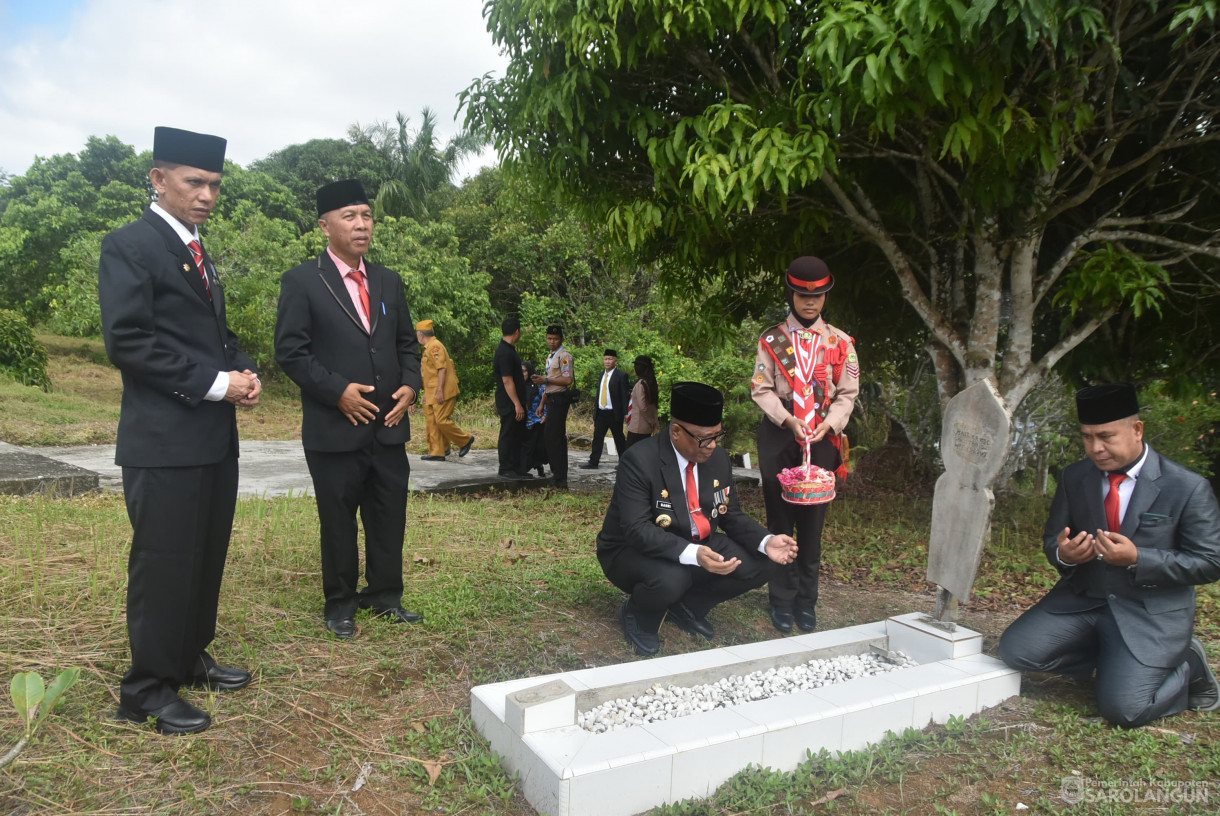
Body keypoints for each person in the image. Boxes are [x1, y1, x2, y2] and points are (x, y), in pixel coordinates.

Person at [99, 126, 260, 735]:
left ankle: (188, 657)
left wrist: (241, 369)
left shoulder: (196, 248)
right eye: (195, 182)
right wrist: (218, 383)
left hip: (210, 438)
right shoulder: (131, 246)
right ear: (158, 179)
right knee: (164, 561)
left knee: (204, 553)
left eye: (215, 184)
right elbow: (131, 343)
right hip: (164, 438)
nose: (207, 195)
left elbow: (212, 337)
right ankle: (145, 688)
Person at [998, 383, 1220, 728]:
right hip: (1084, 601)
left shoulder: (1187, 487)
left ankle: (1188, 664)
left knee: (1125, 710)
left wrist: (1138, 558)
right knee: (1015, 652)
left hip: (1148, 613)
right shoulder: (1075, 477)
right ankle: (1118, 662)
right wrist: (1067, 555)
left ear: (1137, 429)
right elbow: (1052, 541)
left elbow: (1210, 562)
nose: (1096, 448)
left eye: (1106, 436)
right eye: (1087, 437)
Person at [274, 179, 424, 641]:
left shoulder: (387, 280)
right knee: (337, 520)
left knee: (388, 513)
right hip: (334, 428)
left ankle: (385, 595)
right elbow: (291, 352)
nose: (361, 225)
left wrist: (411, 386)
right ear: (325, 225)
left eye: (367, 215)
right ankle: (340, 604)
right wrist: (338, 391)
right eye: (350, 216)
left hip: (388, 427)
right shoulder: (302, 281)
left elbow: (405, 345)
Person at [596, 381, 799, 655]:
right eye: (705, 438)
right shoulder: (639, 460)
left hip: (696, 539)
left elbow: (730, 514)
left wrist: (766, 540)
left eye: (718, 435)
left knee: (762, 563)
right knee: (673, 578)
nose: (713, 445)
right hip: (629, 549)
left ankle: (687, 607)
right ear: (677, 431)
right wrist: (693, 553)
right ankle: (637, 614)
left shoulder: (718, 459)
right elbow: (636, 529)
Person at [751, 256, 859, 635]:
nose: (809, 302)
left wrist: (828, 423)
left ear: (826, 296)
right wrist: (787, 419)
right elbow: (760, 389)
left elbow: (847, 394)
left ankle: (806, 602)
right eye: (801, 295)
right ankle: (780, 600)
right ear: (792, 294)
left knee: (813, 526)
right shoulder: (772, 340)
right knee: (779, 520)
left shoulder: (841, 343)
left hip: (823, 438)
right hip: (781, 435)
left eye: (817, 296)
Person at [414, 319, 474, 462]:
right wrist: (426, 394)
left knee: (441, 420)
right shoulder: (428, 347)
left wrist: (440, 390)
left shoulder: (435, 346)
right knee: (432, 421)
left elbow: (442, 369)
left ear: (421, 335)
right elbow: (429, 373)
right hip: (432, 391)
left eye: (417, 334)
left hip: (442, 391)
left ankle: (465, 440)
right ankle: (439, 451)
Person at [530, 324, 574, 488]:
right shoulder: (551, 356)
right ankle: (557, 474)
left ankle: (560, 477)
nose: (552, 341)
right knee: (551, 438)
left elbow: (567, 380)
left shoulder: (564, 356)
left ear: (561, 339)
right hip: (550, 398)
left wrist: (546, 380)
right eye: (549, 338)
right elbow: (548, 384)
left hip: (560, 399)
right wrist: (542, 403)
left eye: (555, 339)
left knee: (555, 438)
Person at [581, 348, 630, 469]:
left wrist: (625, 412)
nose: (607, 361)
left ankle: (623, 463)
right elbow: (599, 393)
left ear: (615, 361)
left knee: (619, 438)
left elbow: (624, 395)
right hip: (601, 412)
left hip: (614, 413)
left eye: (610, 359)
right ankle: (593, 462)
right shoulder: (602, 375)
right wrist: (596, 410)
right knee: (597, 437)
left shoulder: (621, 375)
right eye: (606, 359)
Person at [493, 316, 527, 479]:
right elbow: (507, 380)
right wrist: (517, 404)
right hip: (509, 402)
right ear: (517, 332)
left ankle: (516, 467)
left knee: (517, 434)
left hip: (516, 401)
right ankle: (505, 467)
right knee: (508, 432)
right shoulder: (504, 352)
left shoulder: (509, 349)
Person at [624, 354, 660, 450]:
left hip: (637, 427)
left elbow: (642, 407)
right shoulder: (651, 383)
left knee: (630, 453)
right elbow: (654, 406)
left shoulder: (640, 384)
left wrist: (651, 422)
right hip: (646, 428)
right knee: (642, 453)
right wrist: (655, 424)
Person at [521, 360, 548, 479]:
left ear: (530, 372)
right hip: (522, 422)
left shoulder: (537, 386)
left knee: (534, 447)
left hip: (536, 421)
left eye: (524, 371)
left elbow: (544, 401)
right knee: (526, 447)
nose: (522, 374)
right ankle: (534, 467)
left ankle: (532, 467)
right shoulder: (519, 386)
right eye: (520, 371)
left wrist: (545, 415)